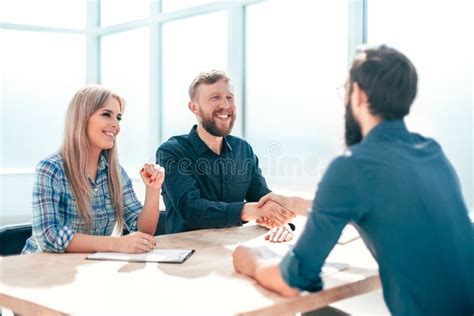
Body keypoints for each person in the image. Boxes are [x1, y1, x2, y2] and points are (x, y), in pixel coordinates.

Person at [232, 45, 474, 315]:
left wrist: (252, 260)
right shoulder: (431, 152)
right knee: (319, 312)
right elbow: (375, 201)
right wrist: (293, 203)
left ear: (357, 94)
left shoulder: (353, 166)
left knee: (308, 310)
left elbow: (293, 281)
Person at [22, 86, 165, 254]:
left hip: (89, 269)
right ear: (82, 118)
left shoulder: (116, 173)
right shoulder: (51, 169)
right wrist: (116, 244)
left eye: (118, 117)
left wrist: (153, 190)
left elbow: (143, 234)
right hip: (43, 271)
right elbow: (48, 237)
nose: (116, 125)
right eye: (106, 114)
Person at [156, 70, 295, 240]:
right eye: (215, 98)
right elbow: (191, 209)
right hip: (189, 253)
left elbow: (263, 199)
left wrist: (281, 223)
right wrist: (249, 210)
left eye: (230, 98)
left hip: (233, 250)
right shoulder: (171, 152)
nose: (226, 105)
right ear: (194, 107)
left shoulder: (243, 150)